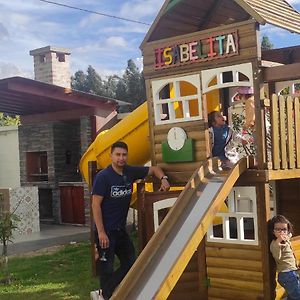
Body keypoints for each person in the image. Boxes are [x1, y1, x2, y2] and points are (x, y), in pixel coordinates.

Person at [90, 141, 170, 300]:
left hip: (120, 230)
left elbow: (154, 169)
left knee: (131, 264)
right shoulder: (103, 177)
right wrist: (100, 233)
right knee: (107, 269)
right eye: (118, 155)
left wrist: (164, 178)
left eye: (124, 155)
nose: (121, 158)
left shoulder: (130, 172)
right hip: (105, 231)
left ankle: (104, 292)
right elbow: (95, 205)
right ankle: (105, 295)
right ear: (111, 156)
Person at [270, 215, 300, 300]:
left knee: (292, 295)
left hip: (292, 273)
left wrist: (288, 236)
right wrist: (278, 242)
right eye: (278, 229)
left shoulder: (285, 239)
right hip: (286, 275)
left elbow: (289, 235)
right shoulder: (275, 244)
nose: (281, 232)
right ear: (273, 231)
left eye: (284, 229)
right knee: (297, 295)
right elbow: (277, 256)